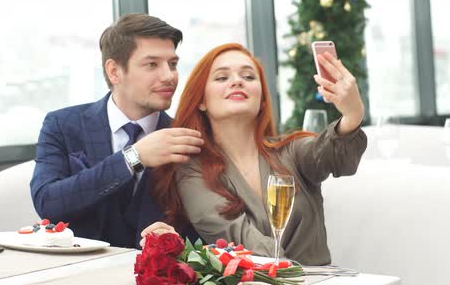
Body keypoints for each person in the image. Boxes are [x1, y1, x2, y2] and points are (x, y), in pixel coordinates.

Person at [152, 43, 367, 265]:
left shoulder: (292, 150)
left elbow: (337, 158)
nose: (237, 81)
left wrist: (352, 114)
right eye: (221, 78)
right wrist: (291, 273)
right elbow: (236, 238)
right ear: (201, 101)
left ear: (262, 98)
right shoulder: (193, 169)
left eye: (248, 76)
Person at [30, 13, 204, 248]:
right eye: (152, 64)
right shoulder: (62, 125)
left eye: (172, 64)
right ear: (114, 71)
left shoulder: (187, 137)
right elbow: (48, 203)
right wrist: (133, 157)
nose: (169, 76)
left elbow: (203, 232)